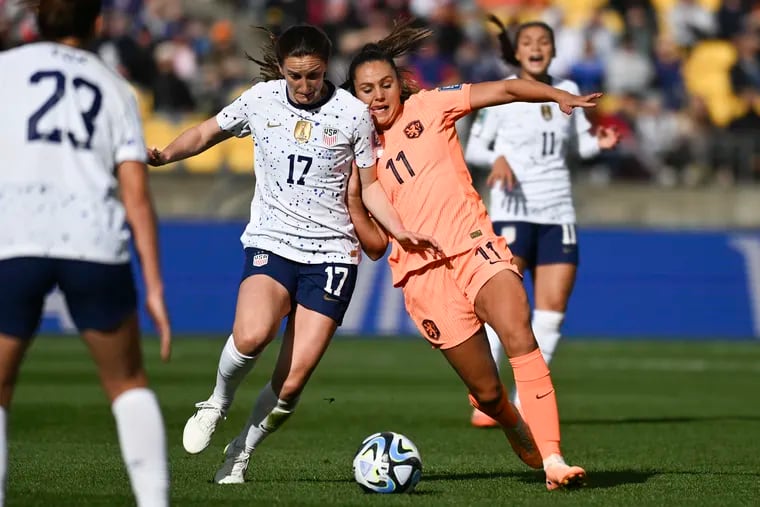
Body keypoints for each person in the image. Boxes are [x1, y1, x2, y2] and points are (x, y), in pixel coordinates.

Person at [147, 23, 438, 484]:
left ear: (326, 69)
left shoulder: (351, 114)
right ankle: (217, 402)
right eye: (295, 76)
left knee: (293, 382)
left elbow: (371, 186)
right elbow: (206, 133)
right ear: (281, 69)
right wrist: (166, 155)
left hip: (332, 254)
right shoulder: (260, 100)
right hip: (273, 241)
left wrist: (400, 231)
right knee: (251, 335)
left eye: (314, 75)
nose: (304, 86)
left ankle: (239, 454)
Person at [344, 19, 598, 490]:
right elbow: (377, 248)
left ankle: (554, 460)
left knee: (519, 327)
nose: (378, 96)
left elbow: (502, 89)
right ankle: (507, 417)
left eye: (385, 85)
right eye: (366, 90)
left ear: (399, 84)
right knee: (485, 392)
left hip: (473, 244)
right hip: (422, 279)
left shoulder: (430, 105)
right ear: (352, 96)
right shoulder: (357, 156)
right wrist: (354, 199)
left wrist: (553, 95)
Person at [0, 1, 172, 506]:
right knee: (128, 383)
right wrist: (155, 289)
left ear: (34, 19)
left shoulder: (6, 70)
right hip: (93, 239)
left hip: (17, 238)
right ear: (96, 23)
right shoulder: (115, 87)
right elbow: (136, 197)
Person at [463, 17, 620, 428]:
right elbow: (475, 146)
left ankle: (524, 400)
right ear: (516, 52)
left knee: (551, 313)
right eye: (528, 41)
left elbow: (579, 144)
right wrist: (495, 158)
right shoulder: (503, 92)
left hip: (558, 212)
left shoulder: (566, 91)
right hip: (512, 211)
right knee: (505, 308)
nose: (536, 47)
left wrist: (598, 143)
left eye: (543, 41)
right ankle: (487, 397)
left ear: (552, 50)